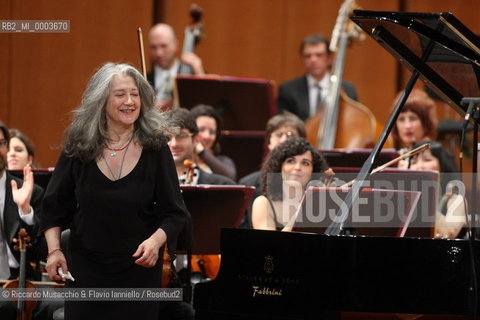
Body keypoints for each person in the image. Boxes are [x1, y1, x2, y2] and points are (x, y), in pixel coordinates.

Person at [40, 63, 191, 320]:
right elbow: (53, 208)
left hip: (138, 270)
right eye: (120, 94)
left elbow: (175, 213)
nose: (130, 102)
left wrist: (156, 242)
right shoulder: (79, 145)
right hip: (86, 271)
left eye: (135, 94)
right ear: (101, 100)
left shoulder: (155, 147)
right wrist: (54, 251)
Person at [0, 121, 58, 320]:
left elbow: (42, 251)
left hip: (20, 280)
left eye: (1, 143)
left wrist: (26, 211)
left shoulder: (32, 193)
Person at [239, 112, 306, 228]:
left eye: (291, 135)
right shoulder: (248, 183)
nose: (284, 140)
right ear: (269, 143)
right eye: (279, 135)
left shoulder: (312, 181)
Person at [252, 138, 328, 231]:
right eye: (291, 161)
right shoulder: (263, 203)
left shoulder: (320, 204)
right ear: (279, 167)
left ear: (313, 172)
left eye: (305, 163)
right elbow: (272, 244)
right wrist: (303, 207)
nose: (297, 168)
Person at [277, 34, 358, 121]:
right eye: (308, 56)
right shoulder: (288, 90)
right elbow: (284, 124)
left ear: (330, 58)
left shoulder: (347, 89)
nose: (313, 60)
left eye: (319, 55)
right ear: (303, 59)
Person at [405, 141, 465, 239]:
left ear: (442, 167)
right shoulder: (404, 196)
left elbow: (449, 233)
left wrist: (423, 201)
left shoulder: (456, 199)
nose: (419, 166)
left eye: (427, 160)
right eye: (414, 162)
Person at [164, 108, 236, 186]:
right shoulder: (151, 183)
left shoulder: (223, 184)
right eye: (167, 137)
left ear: (195, 139)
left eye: (181, 136)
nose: (174, 144)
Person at [147, 23, 205, 108]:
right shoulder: (143, 79)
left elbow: (207, 107)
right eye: (153, 47)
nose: (159, 53)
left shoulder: (194, 75)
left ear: (176, 45)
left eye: (164, 46)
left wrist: (200, 72)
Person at [189, 104, 237, 181]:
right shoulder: (180, 160)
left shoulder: (223, 161)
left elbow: (229, 180)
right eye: (201, 129)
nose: (207, 136)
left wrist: (201, 151)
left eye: (212, 132)